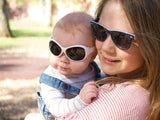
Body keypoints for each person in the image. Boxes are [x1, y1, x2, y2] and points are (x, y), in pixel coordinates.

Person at [57, 0, 160, 120]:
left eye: (121, 38)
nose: (106, 47)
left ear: (151, 44)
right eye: (100, 31)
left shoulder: (123, 99)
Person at [25, 12, 106, 120]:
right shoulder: (51, 79)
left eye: (75, 52)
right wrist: (80, 101)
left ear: (92, 56)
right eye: (56, 48)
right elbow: (55, 107)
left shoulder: (93, 71)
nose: (63, 59)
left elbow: (103, 81)